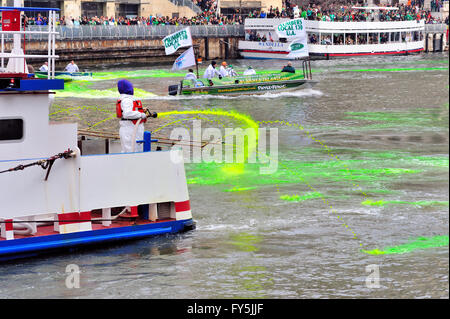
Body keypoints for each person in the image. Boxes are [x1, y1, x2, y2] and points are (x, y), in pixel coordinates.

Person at [116, 79, 149, 153]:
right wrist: (141, 114)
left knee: (134, 149)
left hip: (132, 129)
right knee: (131, 150)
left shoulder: (127, 99)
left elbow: (130, 111)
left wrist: (141, 111)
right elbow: (127, 113)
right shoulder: (127, 100)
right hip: (130, 129)